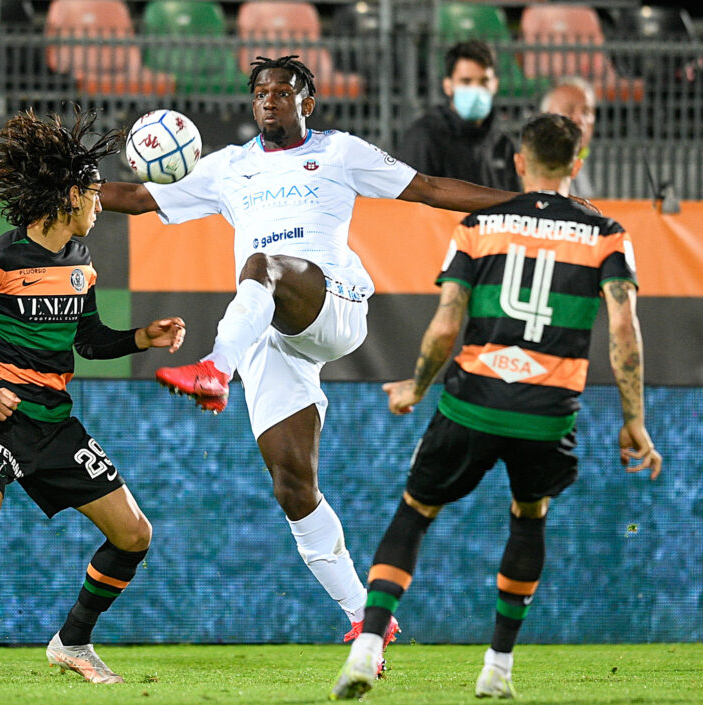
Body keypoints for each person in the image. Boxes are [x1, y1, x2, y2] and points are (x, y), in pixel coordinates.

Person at [99, 55, 571, 667]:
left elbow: (428, 188)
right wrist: (64, 187)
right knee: (293, 486)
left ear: (308, 103)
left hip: (333, 304)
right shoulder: (226, 167)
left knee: (262, 264)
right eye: (261, 93)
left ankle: (214, 368)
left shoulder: (340, 152)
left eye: (283, 91)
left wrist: (526, 204)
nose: (270, 100)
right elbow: (136, 197)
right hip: (269, 331)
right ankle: (364, 619)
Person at [330, 113, 662, 700]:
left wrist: (416, 387)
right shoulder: (608, 234)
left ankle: (367, 647)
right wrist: (634, 418)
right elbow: (624, 330)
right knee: (529, 514)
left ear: (519, 162)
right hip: (547, 412)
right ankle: (497, 668)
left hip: (472, 403)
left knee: (415, 512)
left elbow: (446, 323)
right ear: (577, 164)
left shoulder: (478, 226)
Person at [0, 108, 186, 687]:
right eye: (94, 192)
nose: (100, 204)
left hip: (54, 425)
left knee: (134, 535)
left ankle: (73, 642)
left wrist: (142, 338)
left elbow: (88, 342)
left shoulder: (80, 263)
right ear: (69, 196)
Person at [398, 40, 520, 191]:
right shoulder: (425, 137)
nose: (476, 89)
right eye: (466, 81)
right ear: (448, 85)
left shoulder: (503, 144)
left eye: (484, 81)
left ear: (495, 84)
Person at [541, 76, 598, 198]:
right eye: (569, 110)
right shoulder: (534, 168)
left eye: (586, 112)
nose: (579, 119)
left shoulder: (585, 164)